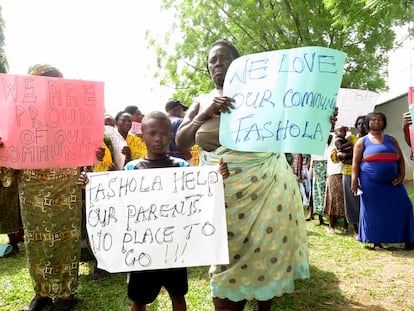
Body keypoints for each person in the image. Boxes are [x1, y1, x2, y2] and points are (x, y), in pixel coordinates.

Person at [175, 40, 315, 311]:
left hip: (265, 186)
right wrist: (206, 113)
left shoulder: (261, 95)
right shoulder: (201, 101)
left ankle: (265, 300)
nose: (217, 65)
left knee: (265, 246)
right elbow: (181, 140)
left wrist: (318, 120)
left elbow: (291, 125)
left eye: (224, 59)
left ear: (239, 64)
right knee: (225, 255)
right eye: (212, 61)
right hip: (222, 193)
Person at [78, 111, 229, 311]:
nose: (158, 138)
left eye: (164, 133)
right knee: (139, 300)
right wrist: (90, 186)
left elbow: (199, 195)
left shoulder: (181, 167)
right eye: (152, 133)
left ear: (171, 136)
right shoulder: (132, 169)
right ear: (143, 136)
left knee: (178, 295)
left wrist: (217, 178)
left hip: (175, 247)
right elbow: (117, 199)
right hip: (142, 248)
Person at [0, 64, 104, 311]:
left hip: (65, 186)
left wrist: (94, 154)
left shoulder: (72, 115)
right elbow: (7, 168)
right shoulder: (19, 118)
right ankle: (41, 292)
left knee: (66, 239)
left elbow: (88, 154)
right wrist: (4, 150)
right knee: (36, 242)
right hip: (32, 189)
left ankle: (67, 294)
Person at [351, 112, 414, 250]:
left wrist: (402, 174)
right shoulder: (362, 141)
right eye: (373, 120)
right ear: (368, 123)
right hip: (370, 183)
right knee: (374, 211)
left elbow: (401, 159)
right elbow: (355, 163)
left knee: (405, 205)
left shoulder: (391, 139)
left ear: (384, 123)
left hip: (393, 182)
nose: (377, 122)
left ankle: (408, 238)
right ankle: (376, 240)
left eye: (380, 120)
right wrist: (354, 180)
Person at [331, 116, 367, 239]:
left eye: (365, 123)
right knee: (352, 201)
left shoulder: (372, 139)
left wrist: (349, 156)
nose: (362, 126)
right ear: (356, 126)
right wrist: (342, 154)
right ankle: (356, 230)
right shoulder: (350, 139)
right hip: (349, 173)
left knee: (366, 201)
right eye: (359, 123)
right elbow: (337, 156)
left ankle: (366, 227)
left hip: (366, 174)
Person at [323, 133, 347, 234]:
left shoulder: (347, 139)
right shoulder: (329, 138)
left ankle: (345, 226)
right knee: (331, 200)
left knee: (345, 201)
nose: (340, 132)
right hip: (332, 174)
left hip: (344, 173)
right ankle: (331, 226)